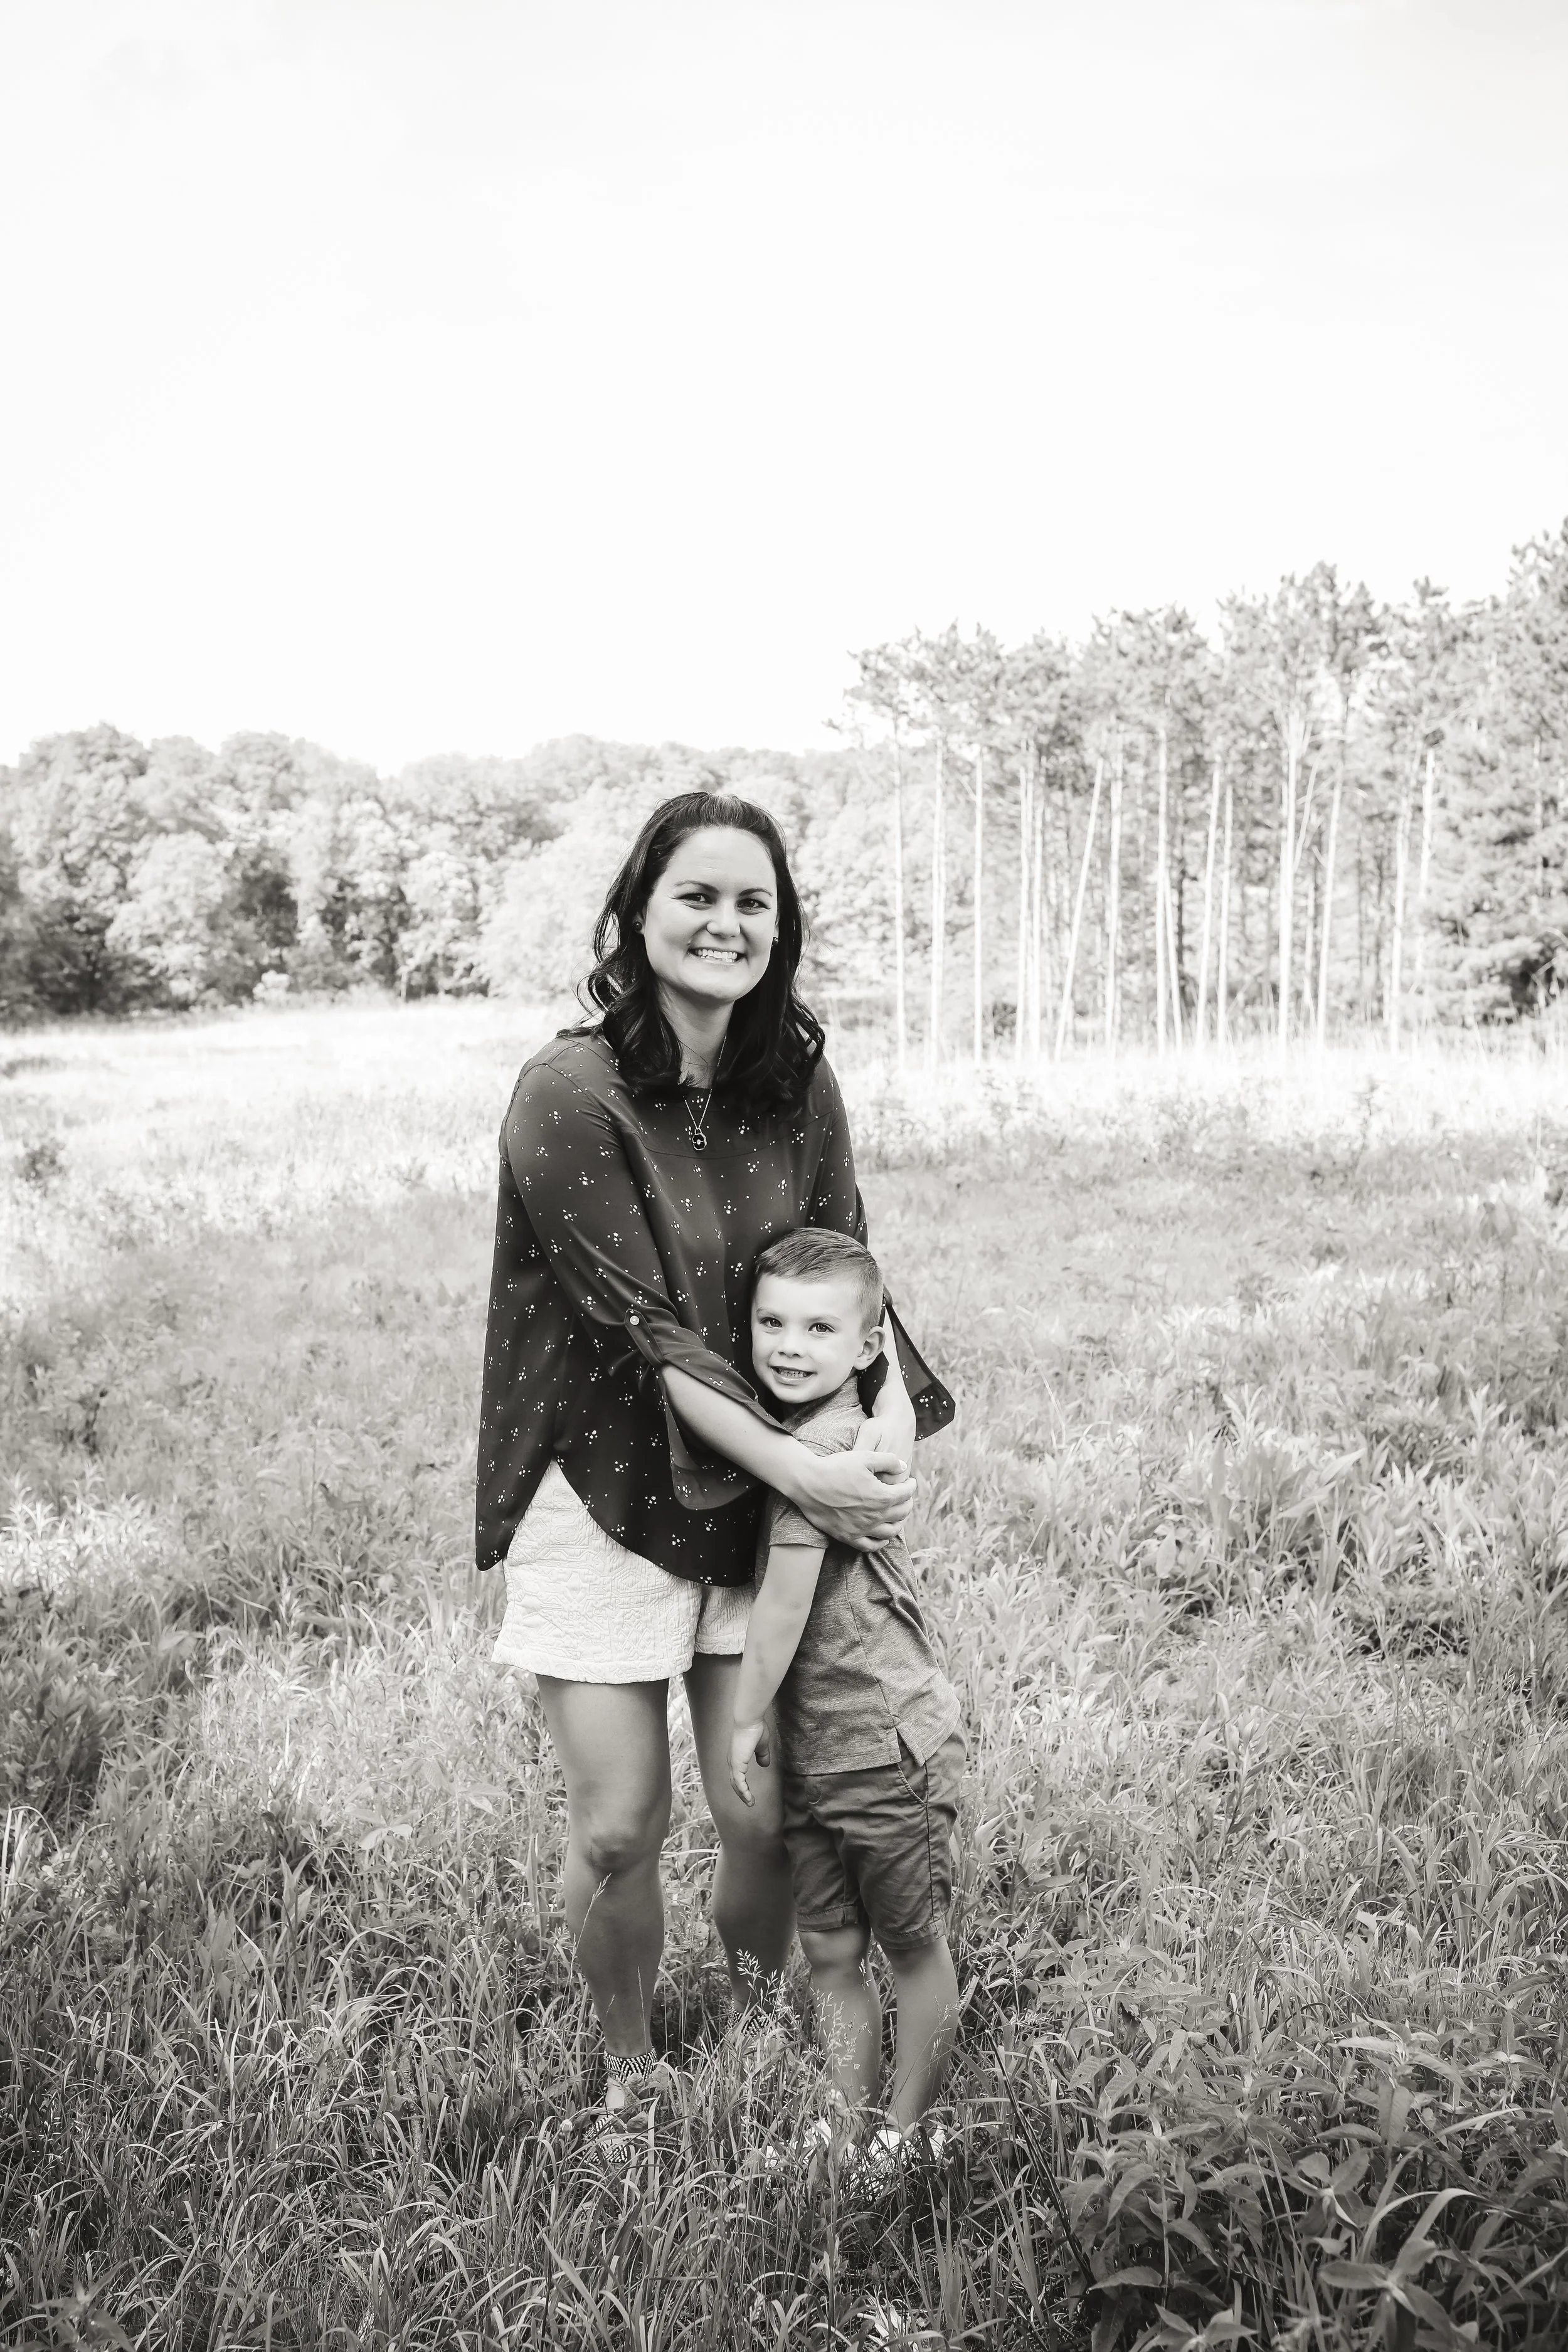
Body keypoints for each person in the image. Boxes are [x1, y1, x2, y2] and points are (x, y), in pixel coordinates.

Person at [476, 790, 953, 2159]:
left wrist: (882, 1446)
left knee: (762, 1812)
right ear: (637, 910)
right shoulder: (566, 1094)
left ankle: (755, 2020)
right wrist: (823, 1483)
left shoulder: (795, 1081)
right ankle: (629, 2073)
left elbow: (850, 1267)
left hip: (759, 1489)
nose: (726, 923)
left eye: (754, 901)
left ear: (779, 927)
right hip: (602, 1483)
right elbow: (651, 1336)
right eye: (697, 894)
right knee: (623, 1823)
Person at [728, 1226, 964, 2181]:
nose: (789, 1343)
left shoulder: (819, 1461)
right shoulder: (853, 1418)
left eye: (818, 1326)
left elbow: (783, 1608)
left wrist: (744, 1717)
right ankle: (848, 2117)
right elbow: (896, 1400)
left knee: (910, 1945)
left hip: (882, 1747)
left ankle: (911, 2129)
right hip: (824, 1753)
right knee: (830, 1946)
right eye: (771, 1320)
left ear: (865, 1346)